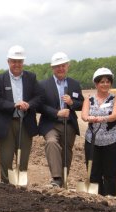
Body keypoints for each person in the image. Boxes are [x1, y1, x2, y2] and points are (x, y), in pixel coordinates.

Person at [0, 45, 43, 184]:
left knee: (23, 158)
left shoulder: (31, 78)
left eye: (19, 61)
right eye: (14, 61)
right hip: (6, 123)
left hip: (25, 122)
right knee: (6, 158)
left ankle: (21, 189)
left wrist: (29, 104)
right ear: (8, 61)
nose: (17, 64)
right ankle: (6, 187)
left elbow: (38, 96)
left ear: (23, 63)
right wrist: (14, 104)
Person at [38, 52, 83, 187]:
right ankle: (56, 178)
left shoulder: (74, 84)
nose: (60, 68)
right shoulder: (43, 85)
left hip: (69, 124)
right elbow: (40, 106)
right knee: (51, 143)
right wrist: (57, 112)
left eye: (63, 65)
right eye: (57, 66)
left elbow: (81, 104)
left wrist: (71, 103)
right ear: (52, 68)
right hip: (50, 123)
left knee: (66, 152)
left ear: (67, 66)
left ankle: (62, 181)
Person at [81, 68, 116, 196]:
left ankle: (110, 198)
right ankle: (97, 199)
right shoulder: (89, 99)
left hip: (111, 140)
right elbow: (84, 115)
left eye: (107, 81)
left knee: (110, 173)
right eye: (101, 82)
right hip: (92, 141)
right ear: (96, 83)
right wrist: (89, 118)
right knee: (93, 172)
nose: (105, 84)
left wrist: (100, 118)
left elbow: (115, 115)